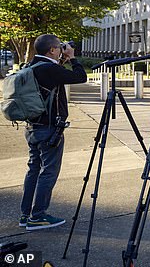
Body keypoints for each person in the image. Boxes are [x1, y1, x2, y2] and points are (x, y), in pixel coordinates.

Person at [19, 34, 87, 231]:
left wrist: (62, 61)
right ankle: (38, 216)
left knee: (33, 169)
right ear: (52, 50)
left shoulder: (31, 66)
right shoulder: (50, 68)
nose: (62, 50)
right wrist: (73, 58)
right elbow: (80, 77)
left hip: (32, 127)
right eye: (59, 47)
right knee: (48, 171)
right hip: (49, 129)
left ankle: (26, 215)